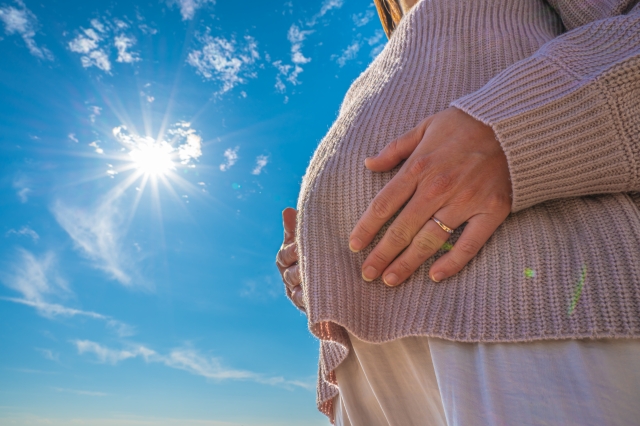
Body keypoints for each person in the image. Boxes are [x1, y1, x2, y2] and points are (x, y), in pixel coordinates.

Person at [277, 0, 640, 424]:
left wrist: (514, 132)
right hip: (364, 352)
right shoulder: (401, 36)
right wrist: (322, 253)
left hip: (531, 298)